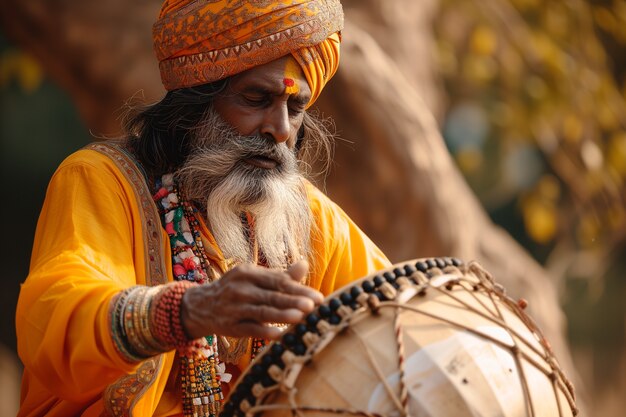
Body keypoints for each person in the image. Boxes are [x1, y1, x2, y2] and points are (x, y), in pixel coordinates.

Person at [15, 1, 390, 416]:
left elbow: (397, 323)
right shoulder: (103, 180)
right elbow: (56, 323)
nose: (280, 129)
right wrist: (187, 311)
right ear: (195, 103)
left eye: (295, 108)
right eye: (255, 98)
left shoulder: (310, 220)